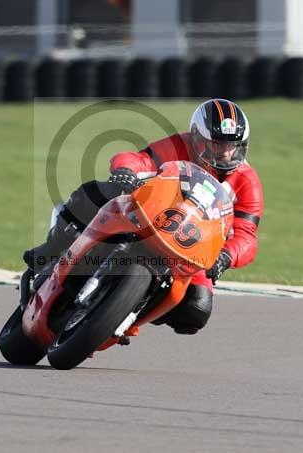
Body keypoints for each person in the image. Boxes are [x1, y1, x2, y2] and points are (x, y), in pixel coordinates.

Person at [24, 98, 264, 335]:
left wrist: (225, 257)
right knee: (95, 193)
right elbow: (140, 159)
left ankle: (130, 310)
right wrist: (126, 172)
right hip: (152, 217)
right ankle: (52, 249)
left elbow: (247, 236)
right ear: (196, 138)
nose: (225, 152)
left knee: (196, 310)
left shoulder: (247, 182)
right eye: (217, 143)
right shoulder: (179, 145)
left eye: (232, 145)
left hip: (190, 246)